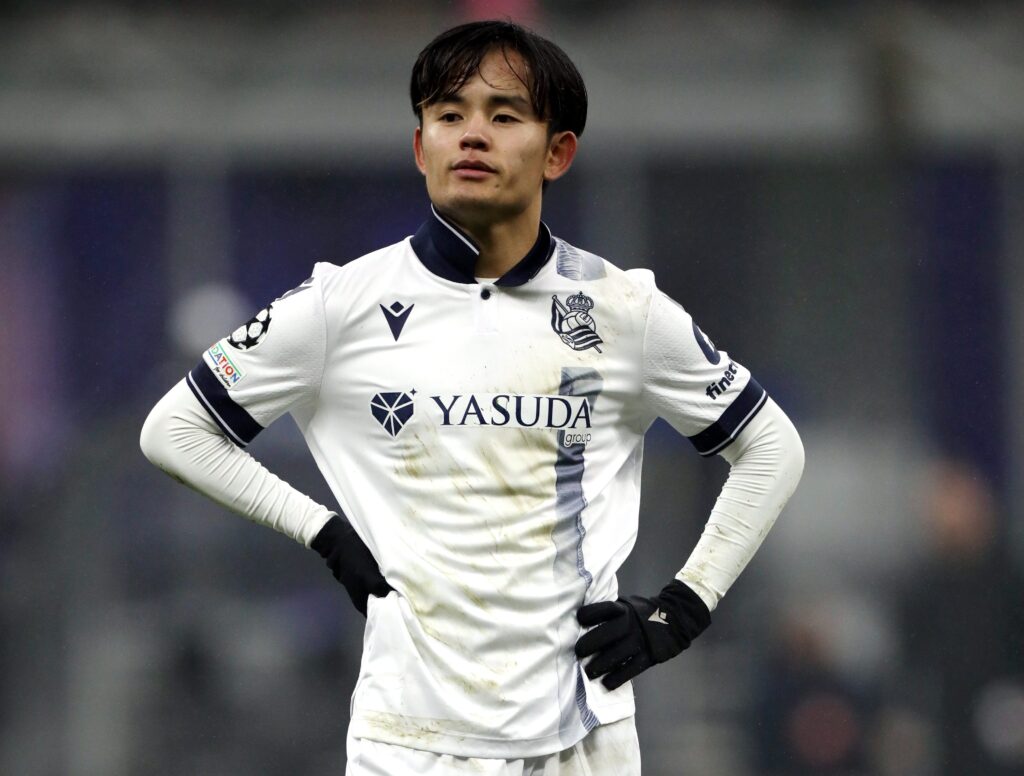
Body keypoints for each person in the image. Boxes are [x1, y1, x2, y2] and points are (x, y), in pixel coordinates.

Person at [140, 20, 804, 775]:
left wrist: (683, 608)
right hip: (408, 745)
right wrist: (321, 531)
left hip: (584, 741)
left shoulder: (623, 310)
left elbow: (771, 447)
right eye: (449, 115)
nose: (473, 135)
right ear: (421, 148)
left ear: (558, 153)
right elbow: (175, 430)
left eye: (505, 115)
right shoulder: (339, 305)